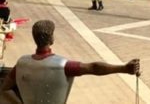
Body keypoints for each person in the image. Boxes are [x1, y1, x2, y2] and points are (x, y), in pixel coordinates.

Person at [0, 20, 140, 104]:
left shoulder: (21, 63)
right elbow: (94, 68)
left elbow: (5, 89)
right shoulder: (63, 65)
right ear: (51, 38)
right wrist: (123, 68)